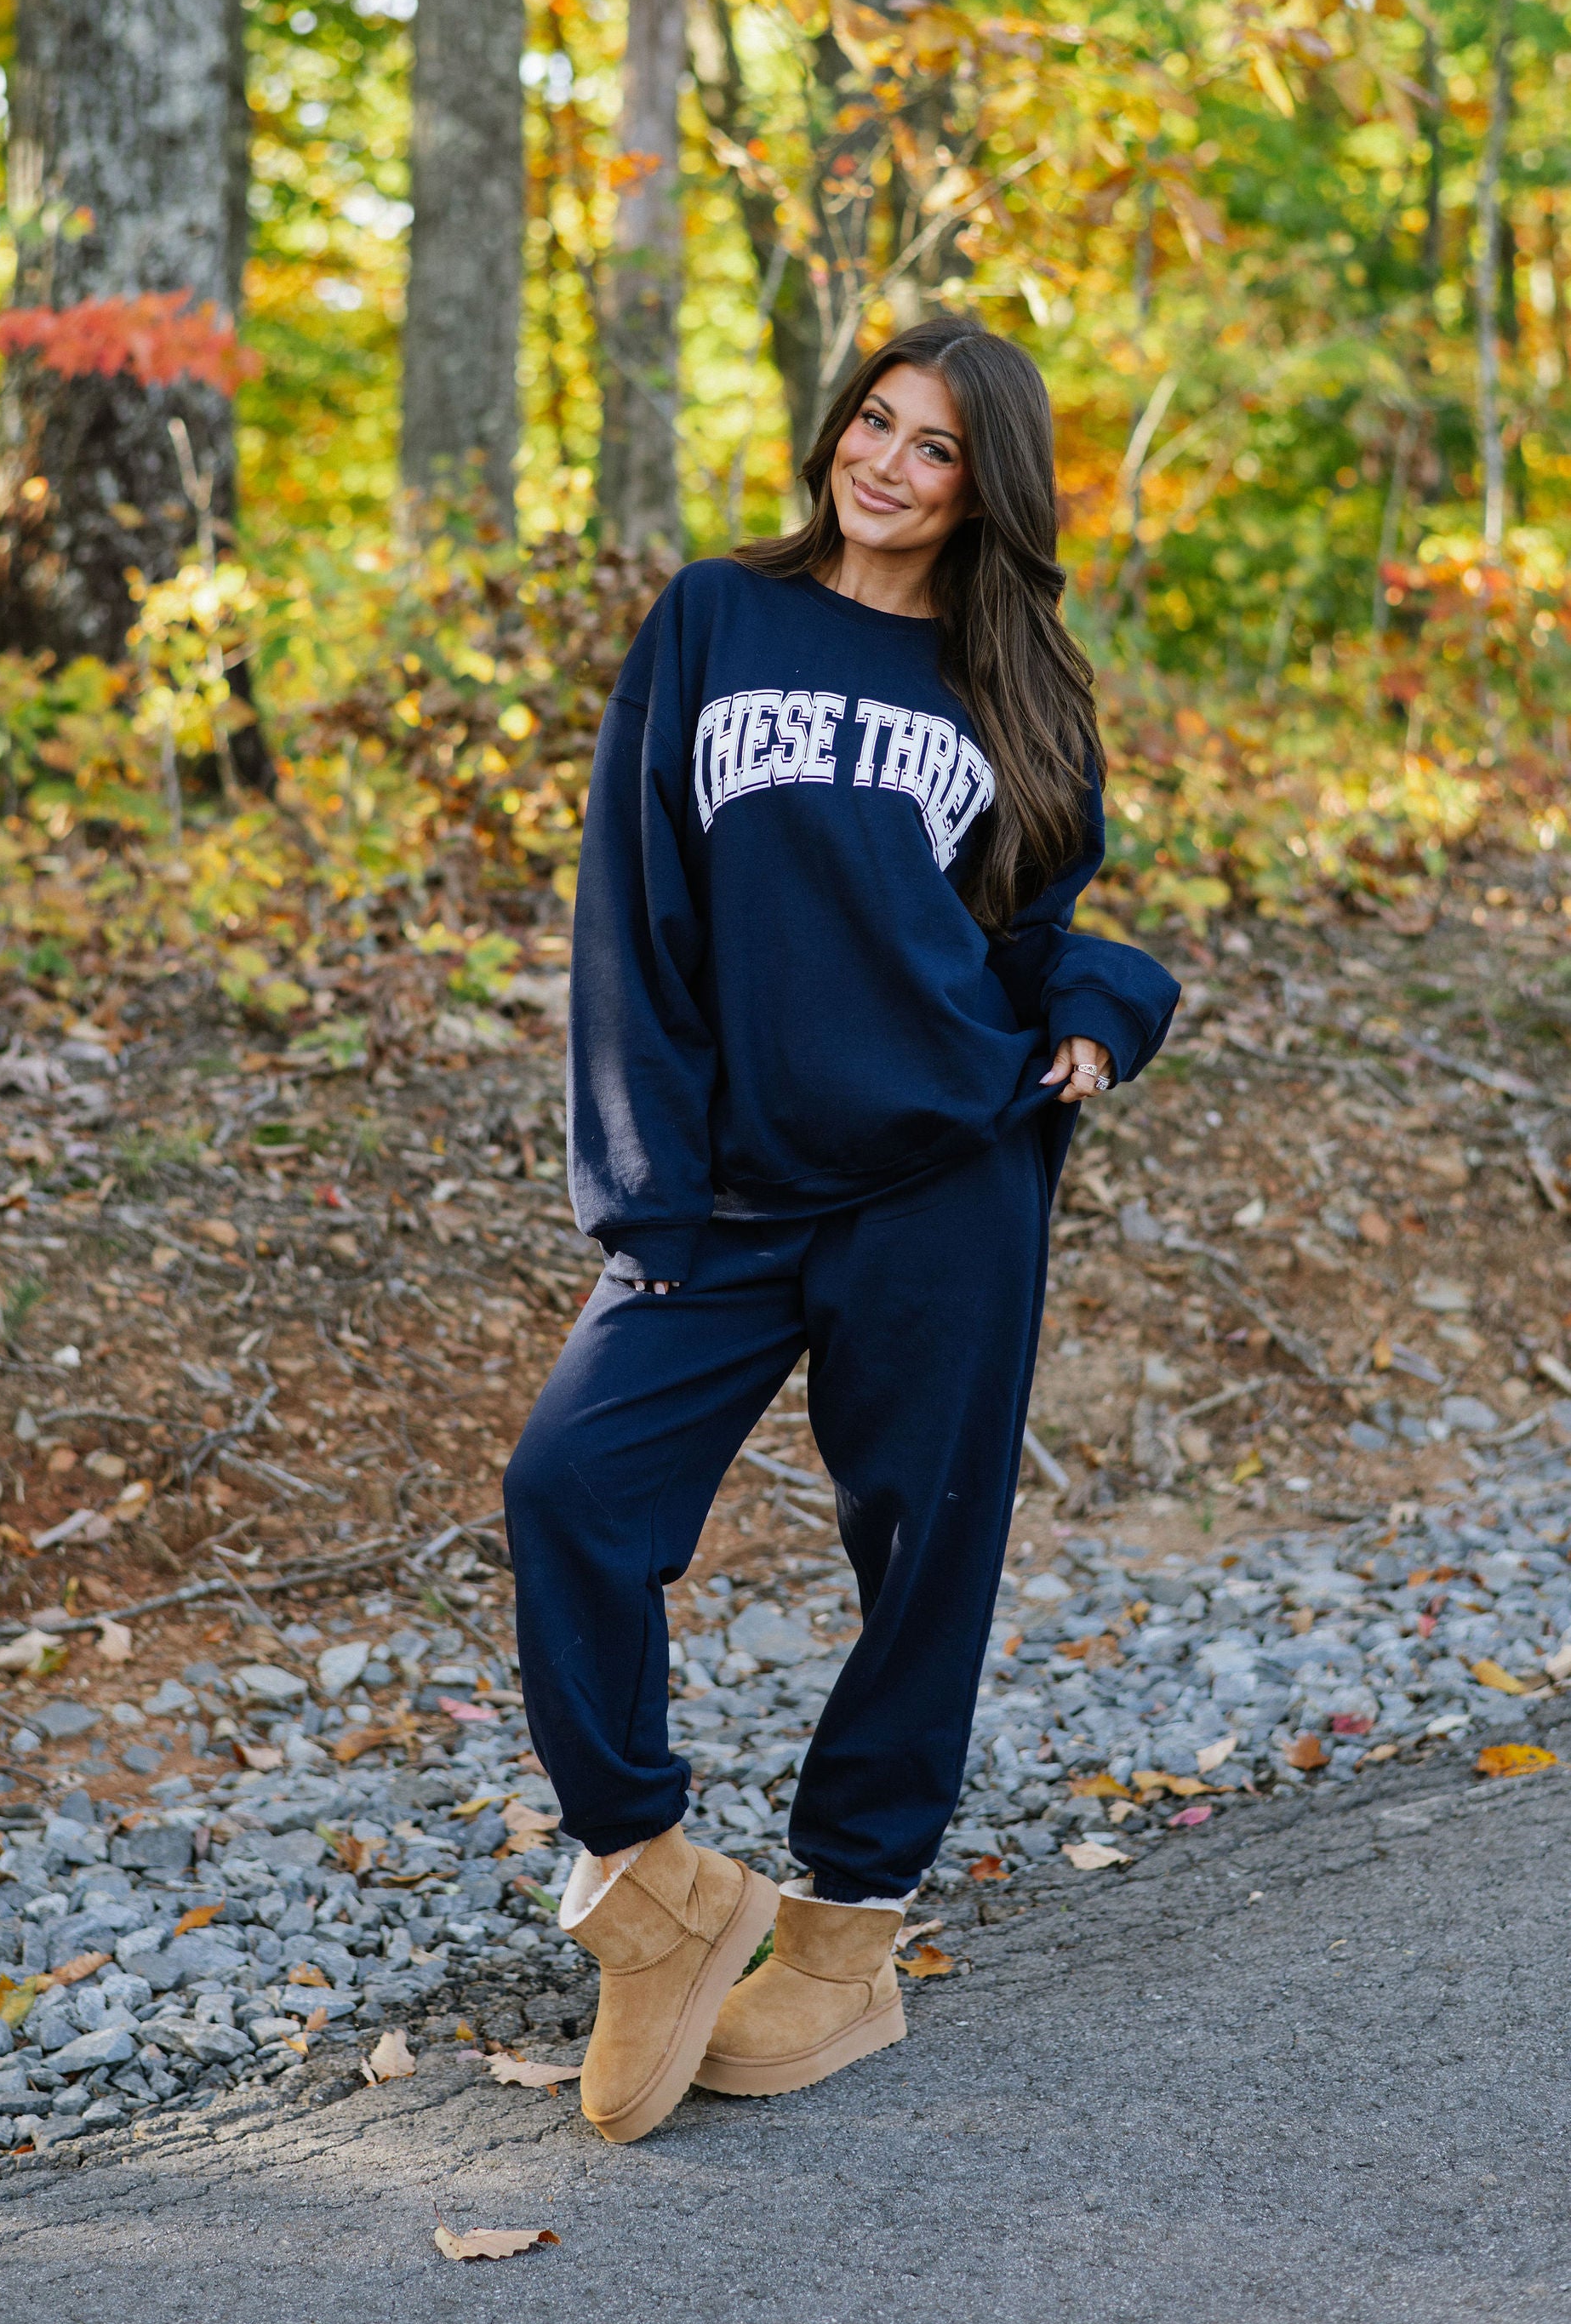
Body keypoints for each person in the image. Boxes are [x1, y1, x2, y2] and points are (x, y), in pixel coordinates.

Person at [503, 314, 1180, 2143]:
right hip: (723, 1191)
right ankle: (648, 1883)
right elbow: (627, 913)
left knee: (922, 1552)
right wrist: (639, 1180)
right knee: (569, 1491)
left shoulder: (1014, 677)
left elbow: (1035, 925)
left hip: (944, 1177)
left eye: (933, 446)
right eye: (872, 421)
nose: (884, 463)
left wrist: (1102, 1009)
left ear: (985, 488)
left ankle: (847, 1935)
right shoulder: (714, 618)